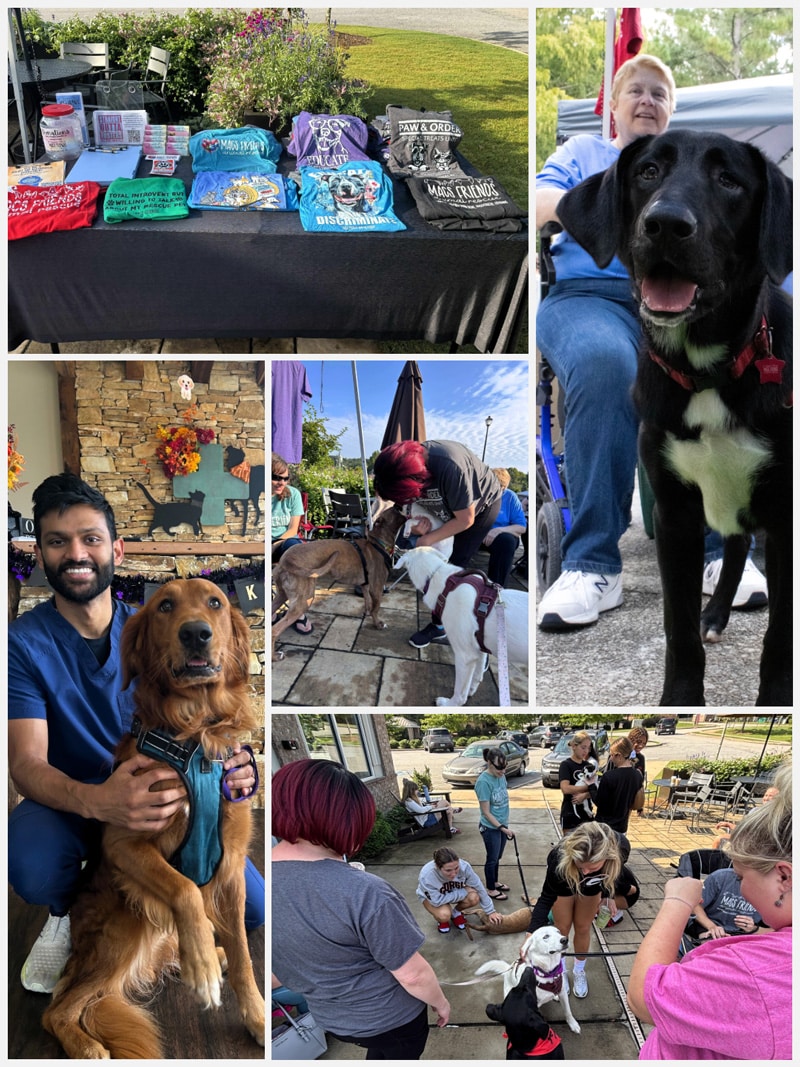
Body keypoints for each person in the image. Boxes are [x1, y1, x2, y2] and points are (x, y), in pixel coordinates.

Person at [536, 53, 767, 629]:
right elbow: (542, 205)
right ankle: (593, 563)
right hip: (590, 296)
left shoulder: (698, 163)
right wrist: (616, 199)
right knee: (605, 364)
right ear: (611, 108)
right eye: (634, 91)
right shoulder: (584, 154)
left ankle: (717, 554)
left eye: (659, 94)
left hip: (686, 301)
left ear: (672, 110)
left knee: (724, 370)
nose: (646, 101)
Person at [8, 474, 262, 995]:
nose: (76, 553)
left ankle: (160, 934)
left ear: (116, 550)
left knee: (254, 910)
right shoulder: (22, 644)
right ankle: (66, 911)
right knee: (31, 862)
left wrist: (241, 765)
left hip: (163, 798)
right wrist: (101, 802)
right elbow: (25, 766)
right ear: (40, 553)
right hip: (70, 798)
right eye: (58, 541)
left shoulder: (149, 624)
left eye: (90, 539)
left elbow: (215, 715)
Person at [272, 759, 450, 1059]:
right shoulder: (368, 893)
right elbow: (413, 976)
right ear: (350, 822)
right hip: (390, 1020)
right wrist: (441, 1003)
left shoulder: (252, 879)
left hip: (330, 1019)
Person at [627, 761, 791, 1059]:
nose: (739, 887)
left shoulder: (754, 971)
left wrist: (676, 902)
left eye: (741, 877)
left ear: (783, 877)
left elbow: (642, 999)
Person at [372, 439, 502, 647]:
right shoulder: (399, 470)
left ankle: (453, 627)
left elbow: (464, 519)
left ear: (416, 478)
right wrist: (413, 525)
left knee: (452, 569)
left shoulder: (450, 466)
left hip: (478, 509)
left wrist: (426, 539)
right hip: (449, 508)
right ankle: (442, 620)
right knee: (434, 570)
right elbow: (407, 508)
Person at [527, 821, 640, 999]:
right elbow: (546, 897)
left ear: (609, 856)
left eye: (592, 867)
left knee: (583, 926)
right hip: (566, 881)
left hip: (591, 889)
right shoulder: (558, 856)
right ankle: (560, 970)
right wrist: (531, 932)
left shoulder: (621, 848)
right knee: (561, 928)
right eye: (581, 865)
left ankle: (579, 970)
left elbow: (614, 875)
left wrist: (608, 894)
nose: (586, 872)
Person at [416, 845, 503, 933]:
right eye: (448, 870)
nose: (454, 874)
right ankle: (444, 919)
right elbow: (436, 901)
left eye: (456, 868)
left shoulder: (464, 867)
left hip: (452, 890)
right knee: (444, 915)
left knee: (474, 897)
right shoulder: (427, 875)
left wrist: (491, 911)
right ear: (437, 867)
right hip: (434, 898)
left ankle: (456, 913)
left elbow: (479, 887)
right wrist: (464, 891)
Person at [271, 451, 313, 634]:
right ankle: (271, 607)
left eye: (285, 478)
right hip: (262, 542)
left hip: (284, 540)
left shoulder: (292, 495)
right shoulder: (259, 496)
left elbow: (293, 530)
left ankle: (298, 610)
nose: (282, 482)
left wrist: (274, 545)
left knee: (299, 556)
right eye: (276, 477)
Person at [683, 865, 764, 943]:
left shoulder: (770, 888)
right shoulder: (720, 877)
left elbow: (773, 930)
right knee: (712, 945)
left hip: (745, 933)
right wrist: (712, 926)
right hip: (709, 925)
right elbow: (695, 905)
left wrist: (754, 929)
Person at [475, 746, 515, 900]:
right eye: (499, 768)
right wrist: (502, 828)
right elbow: (486, 811)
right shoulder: (483, 782)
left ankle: (495, 882)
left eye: (505, 768)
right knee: (491, 858)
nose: (503, 772)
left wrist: (504, 826)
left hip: (502, 825)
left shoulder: (501, 777)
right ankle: (490, 889)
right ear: (490, 763)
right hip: (490, 827)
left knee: (497, 857)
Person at [481, 468, 527, 586]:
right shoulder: (479, 492)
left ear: (503, 488)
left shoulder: (511, 497)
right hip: (479, 534)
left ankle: (497, 586)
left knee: (506, 541)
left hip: (500, 537)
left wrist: (498, 530)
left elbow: (521, 527)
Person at [595, 737, 643, 834]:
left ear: (619, 756)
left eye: (612, 755)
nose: (611, 758)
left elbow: (600, 803)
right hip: (622, 826)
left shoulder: (609, 777)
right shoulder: (638, 775)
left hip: (605, 828)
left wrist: (591, 787)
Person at [712, 783, 779, 850]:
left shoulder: (776, 816)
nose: (766, 798)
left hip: (756, 844)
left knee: (720, 840)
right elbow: (743, 828)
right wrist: (729, 824)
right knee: (719, 839)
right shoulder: (755, 810)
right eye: (765, 795)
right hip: (746, 838)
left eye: (771, 796)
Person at [558, 731, 599, 832]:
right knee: (570, 845)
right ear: (574, 746)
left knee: (587, 845)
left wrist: (584, 795)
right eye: (583, 747)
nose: (586, 751)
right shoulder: (566, 765)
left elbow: (597, 790)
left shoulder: (589, 766)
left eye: (588, 748)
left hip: (586, 813)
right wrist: (588, 788)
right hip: (570, 812)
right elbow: (565, 788)